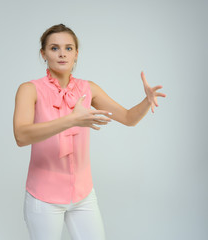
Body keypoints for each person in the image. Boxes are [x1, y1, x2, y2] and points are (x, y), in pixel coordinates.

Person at [13, 23, 166, 240]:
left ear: (76, 54)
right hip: (43, 197)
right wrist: (70, 120)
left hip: (83, 195)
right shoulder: (29, 89)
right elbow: (21, 135)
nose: (62, 54)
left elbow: (128, 118)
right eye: (54, 48)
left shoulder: (88, 88)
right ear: (43, 53)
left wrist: (146, 100)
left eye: (68, 48)